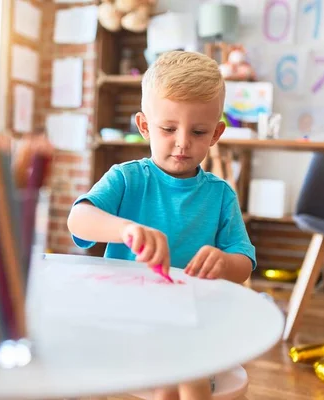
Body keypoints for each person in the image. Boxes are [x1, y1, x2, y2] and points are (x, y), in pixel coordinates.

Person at [67, 50, 256, 400]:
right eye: (168, 129)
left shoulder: (220, 196)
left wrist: (224, 262)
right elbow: (79, 219)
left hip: (192, 324)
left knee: (185, 371)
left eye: (198, 131)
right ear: (144, 126)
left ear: (216, 133)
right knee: (167, 376)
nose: (183, 142)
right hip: (126, 320)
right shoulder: (127, 179)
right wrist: (124, 229)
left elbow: (243, 264)